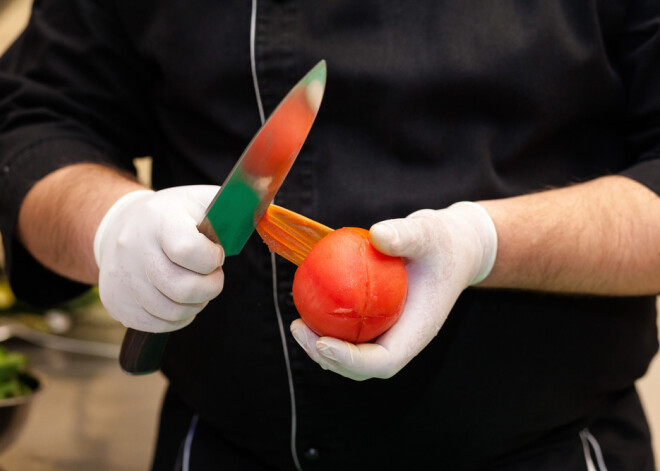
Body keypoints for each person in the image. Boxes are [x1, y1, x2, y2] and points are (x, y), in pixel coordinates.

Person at [1, 1, 659, 470]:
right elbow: (35, 119)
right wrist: (109, 224)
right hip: (225, 450)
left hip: (550, 453)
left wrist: (486, 243)